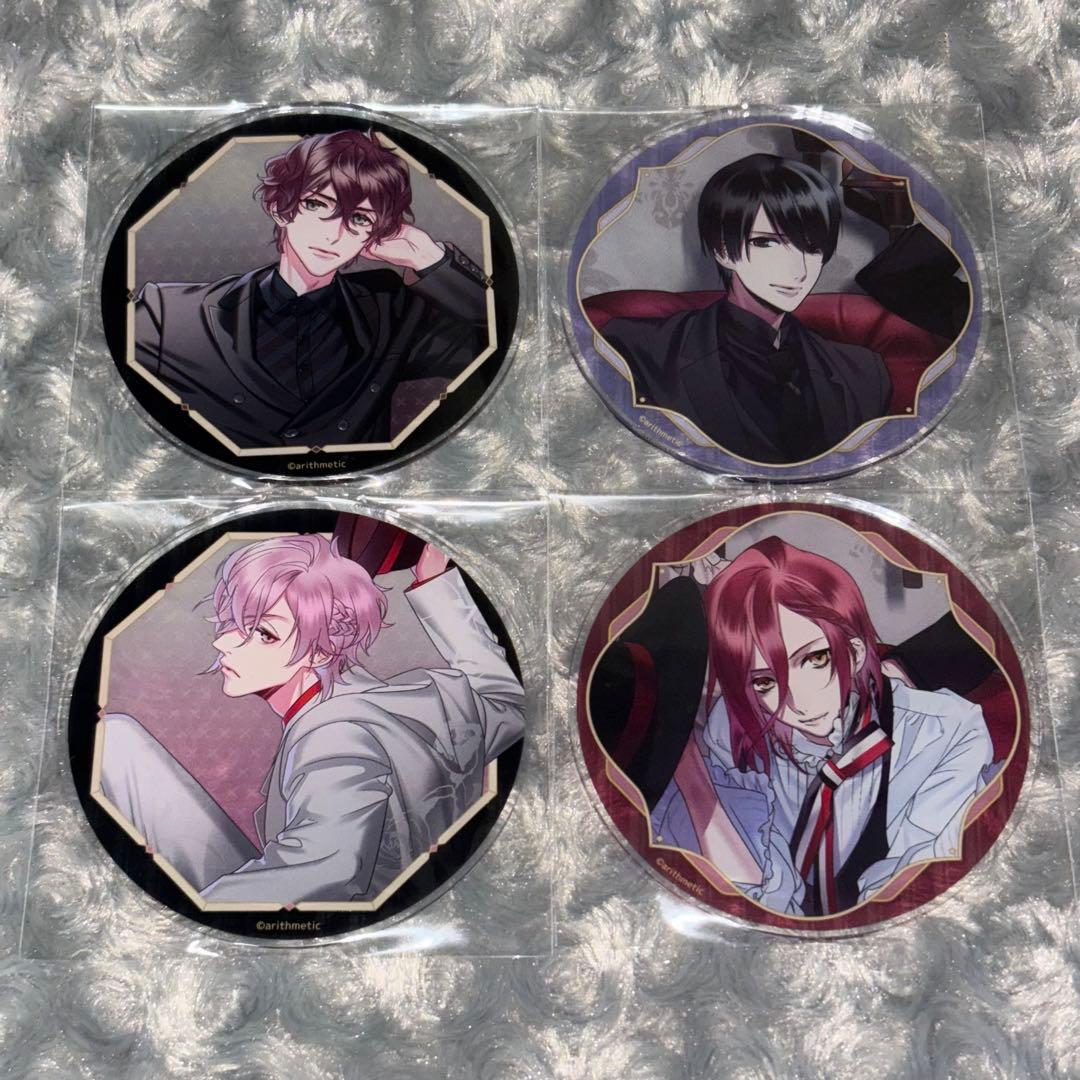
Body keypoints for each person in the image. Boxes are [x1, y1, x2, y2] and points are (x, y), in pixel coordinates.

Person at [99, 533, 525, 906]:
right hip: (402, 898)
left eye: (263, 633)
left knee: (115, 743)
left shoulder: (333, 737)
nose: (224, 641)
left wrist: (193, 917)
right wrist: (433, 582)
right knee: (116, 740)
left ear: (320, 651)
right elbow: (506, 701)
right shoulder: (401, 701)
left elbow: (329, 867)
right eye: (232, 621)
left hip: (334, 920)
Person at [590, 537, 996, 917]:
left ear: (855, 652)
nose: (797, 703)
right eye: (764, 682)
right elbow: (767, 897)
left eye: (814, 660)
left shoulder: (948, 734)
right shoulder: (731, 734)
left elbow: (913, 895)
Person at [133, 129, 490, 451]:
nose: (334, 234)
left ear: (375, 234)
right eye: (318, 205)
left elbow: (501, 341)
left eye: (359, 218)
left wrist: (430, 259)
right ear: (280, 208)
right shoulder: (169, 314)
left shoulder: (392, 311)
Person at [598, 154, 893, 464]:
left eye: (811, 247)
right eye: (768, 243)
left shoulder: (863, 374)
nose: (799, 270)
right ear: (723, 250)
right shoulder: (637, 350)